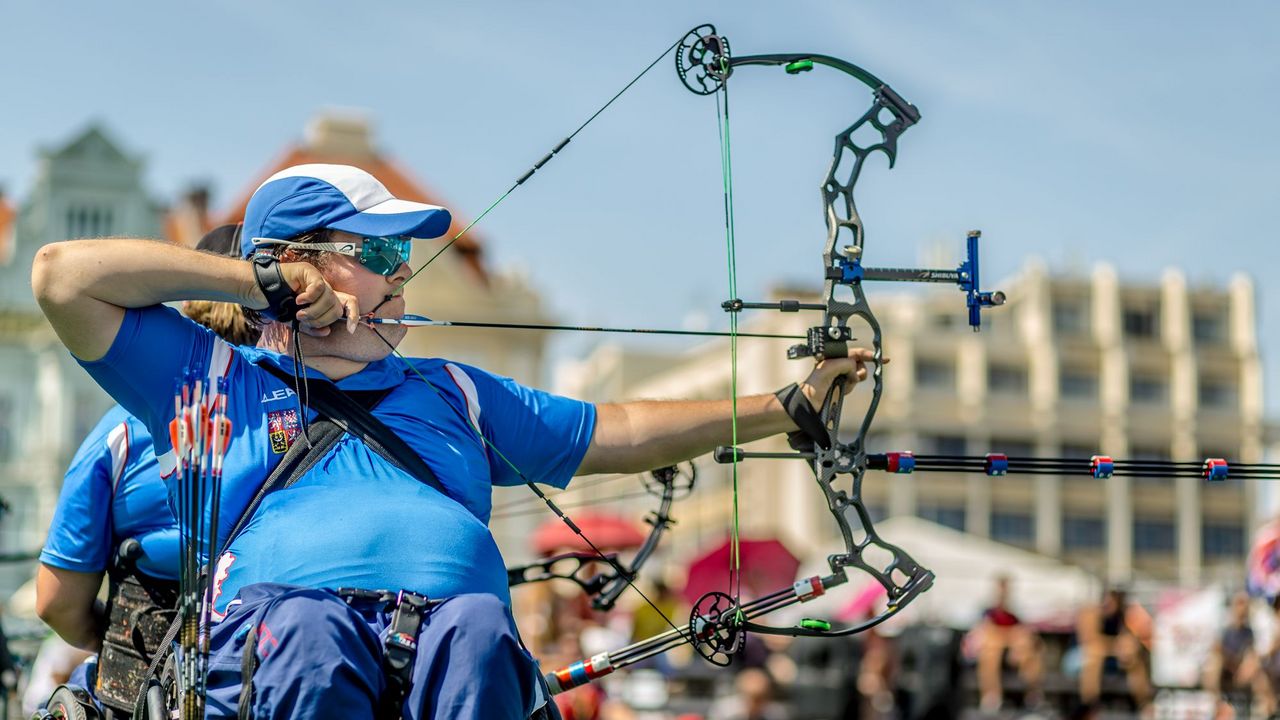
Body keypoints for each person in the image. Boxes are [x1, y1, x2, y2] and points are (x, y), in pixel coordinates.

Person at [30, 163, 873, 719]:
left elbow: (617, 430)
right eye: (384, 252)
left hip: (448, 637)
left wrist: (786, 404)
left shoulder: (454, 391)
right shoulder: (213, 378)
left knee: (475, 626)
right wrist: (255, 281)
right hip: (283, 641)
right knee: (312, 635)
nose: (405, 274)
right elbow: (63, 277)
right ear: (301, 262)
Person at [34, 225, 256, 714]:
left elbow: (55, 601)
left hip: (142, 678)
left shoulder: (122, 430)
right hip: (271, 668)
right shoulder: (299, 413)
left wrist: (116, 633)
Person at [974, 575, 1043, 711]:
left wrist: (1015, 643)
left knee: (1030, 653)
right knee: (990, 653)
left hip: (1012, 651)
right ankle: (991, 696)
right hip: (994, 651)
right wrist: (1007, 637)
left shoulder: (1015, 611)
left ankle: (1032, 694)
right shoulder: (988, 610)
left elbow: (1023, 633)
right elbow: (988, 633)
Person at [1076, 587, 1151, 710]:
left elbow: (1131, 639)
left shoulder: (1123, 614)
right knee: (1094, 657)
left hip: (1111, 656)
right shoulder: (1090, 613)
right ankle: (1089, 705)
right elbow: (1090, 641)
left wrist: (1122, 646)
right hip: (1081, 656)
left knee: (1130, 656)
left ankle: (1143, 703)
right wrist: (1115, 645)